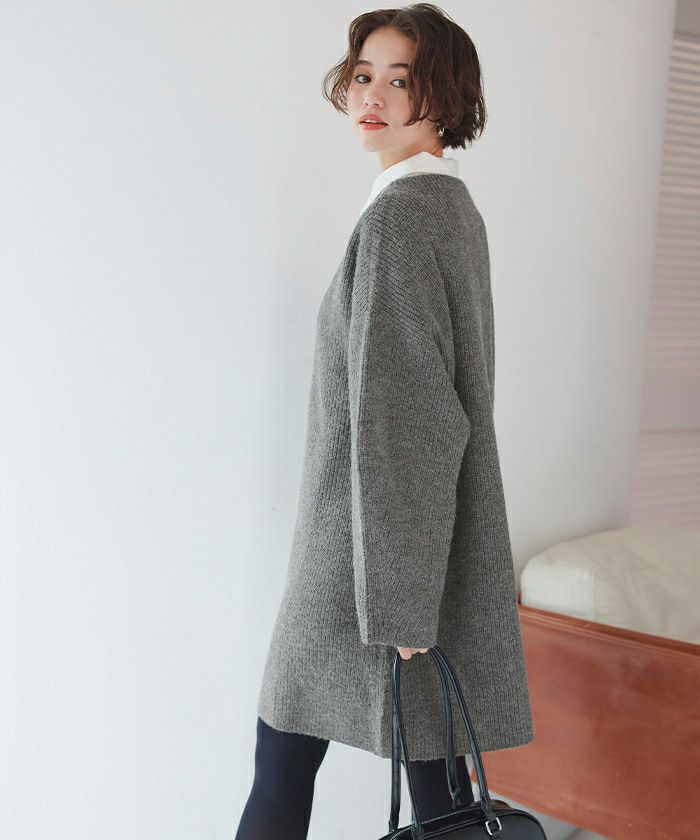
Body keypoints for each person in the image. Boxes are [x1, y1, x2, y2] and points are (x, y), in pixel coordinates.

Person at [235, 4, 534, 838]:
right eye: (364, 75)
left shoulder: (405, 216)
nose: (372, 96)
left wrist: (404, 602)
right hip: (392, 553)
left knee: (288, 757)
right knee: (433, 783)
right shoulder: (446, 207)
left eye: (400, 80)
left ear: (444, 96)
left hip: (366, 557)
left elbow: (413, 419)